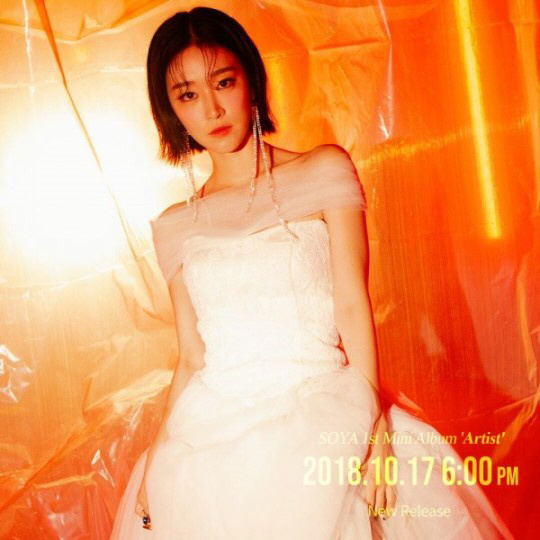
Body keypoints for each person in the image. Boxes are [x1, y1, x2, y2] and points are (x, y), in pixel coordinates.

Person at [110, 7, 514, 539]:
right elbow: (191, 355)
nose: (211, 108)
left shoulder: (323, 170)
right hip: (210, 447)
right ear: (170, 110)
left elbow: (351, 303)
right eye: (187, 95)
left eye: (223, 82)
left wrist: (375, 430)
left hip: (326, 414)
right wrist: (159, 456)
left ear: (250, 79)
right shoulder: (175, 225)